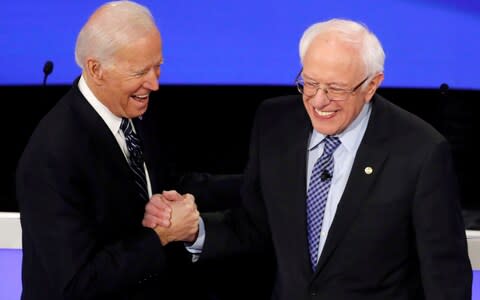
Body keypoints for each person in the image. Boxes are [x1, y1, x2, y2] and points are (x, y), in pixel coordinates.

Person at [143, 18, 473, 299]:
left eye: (336, 88)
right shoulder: (275, 123)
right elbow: (256, 225)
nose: (319, 101)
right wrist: (193, 230)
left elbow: (445, 274)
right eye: (310, 83)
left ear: (372, 85)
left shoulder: (420, 151)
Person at [16, 1, 232, 299]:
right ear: (96, 69)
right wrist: (162, 236)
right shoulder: (54, 154)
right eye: (140, 71)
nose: (154, 84)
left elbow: (168, 182)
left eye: (158, 66)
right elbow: (77, 283)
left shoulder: (131, 109)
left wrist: (260, 182)